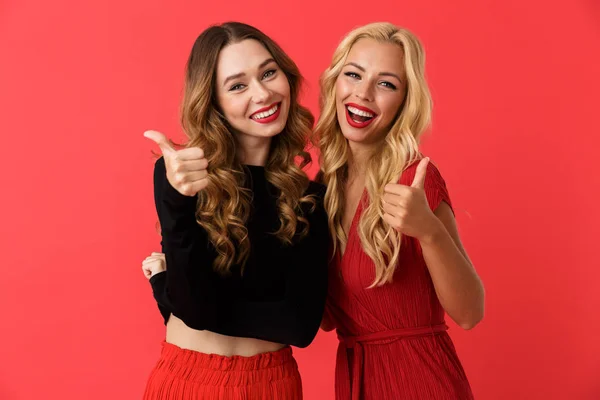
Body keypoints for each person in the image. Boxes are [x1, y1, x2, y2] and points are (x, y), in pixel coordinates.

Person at [141, 21, 329, 400]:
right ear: (214, 103)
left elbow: (299, 325)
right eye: (238, 85)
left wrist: (165, 290)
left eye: (268, 73)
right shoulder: (181, 173)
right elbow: (195, 303)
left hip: (270, 385)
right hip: (186, 379)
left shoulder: (309, 197)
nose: (262, 93)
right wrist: (178, 201)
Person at [315, 22, 485, 399]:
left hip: (420, 381)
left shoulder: (414, 180)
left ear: (405, 101)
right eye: (353, 74)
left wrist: (429, 231)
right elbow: (325, 319)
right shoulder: (323, 188)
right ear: (335, 82)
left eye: (386, 84)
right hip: (355, 380)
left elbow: (470, 312)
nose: (363, 93)